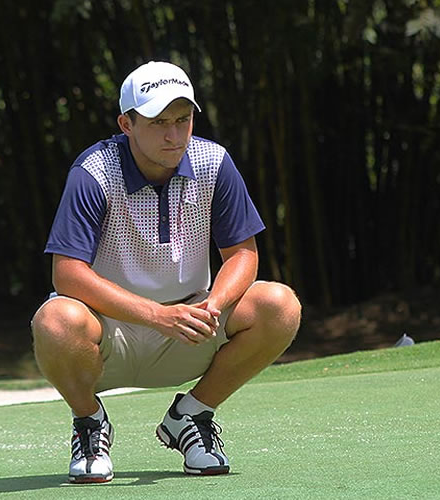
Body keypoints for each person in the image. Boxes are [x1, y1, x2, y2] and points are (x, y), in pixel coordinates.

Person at [31, 60, 301, 484]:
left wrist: (213, 307)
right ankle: (89, 422)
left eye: (183, 119)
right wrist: (158, 316)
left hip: (190, 329)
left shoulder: (214, 162)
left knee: (279, 304)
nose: (174, 135)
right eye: (158, 122)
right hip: (109, 337)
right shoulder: (93, 172)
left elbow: (243, 255)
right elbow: (67, 275)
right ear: (127, 123)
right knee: (54, 320)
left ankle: (192, 415)